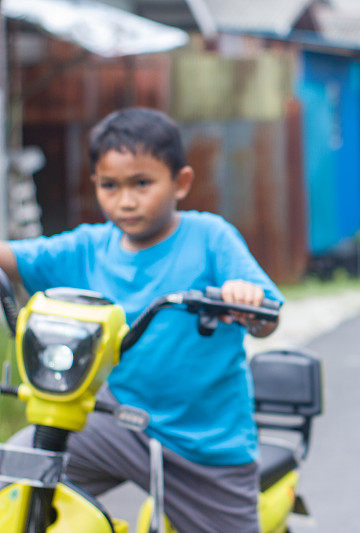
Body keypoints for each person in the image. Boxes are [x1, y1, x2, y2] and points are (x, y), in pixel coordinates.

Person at [0, 107, 283, 533]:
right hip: (117, 423)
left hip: (203, 443)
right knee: (15, 474)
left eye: (142, 184)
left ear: (181, 182)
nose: (126, 200)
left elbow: (267, 316)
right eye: (110, 186)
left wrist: (245, 299)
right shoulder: (90, 246)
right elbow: (17, 257)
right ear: (95, 184)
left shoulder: (210, 237)